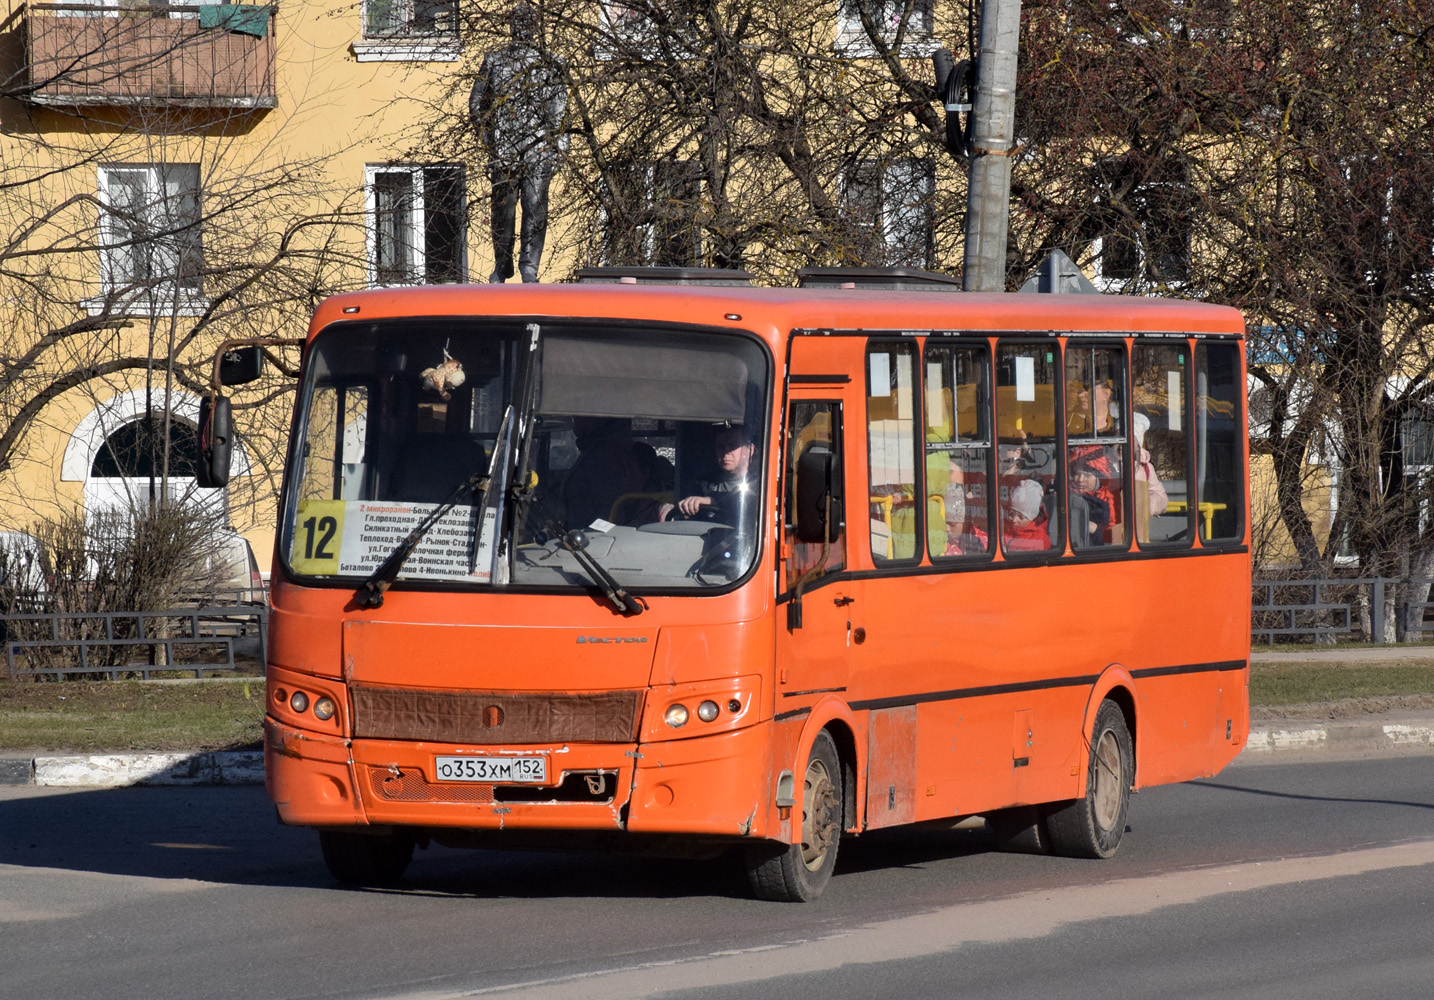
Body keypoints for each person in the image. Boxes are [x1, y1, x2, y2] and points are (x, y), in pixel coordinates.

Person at [469, 4, 567, 283]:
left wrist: (560, 147)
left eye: (528, 22)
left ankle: (529, 267)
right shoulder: (495, 60)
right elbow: (476, 103)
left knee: (536, 206)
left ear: (536, 27)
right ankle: (503, 263)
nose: (523, 27)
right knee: (503, 208)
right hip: (504, 150)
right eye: (518, 21)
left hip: (539, 148)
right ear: (511, 26)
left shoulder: (551, 61)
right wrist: (489, 140)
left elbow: (561, 108)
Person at [661, 425, 757, 523]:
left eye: (732, 446)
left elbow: (748, 504)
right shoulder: (702, 485)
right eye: (720, 446)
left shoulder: (761, 484)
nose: (725, 452)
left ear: (750, 450)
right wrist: (688, 509)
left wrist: (712, 501)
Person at [1002, 478, 1051, 552]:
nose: (1014, 520)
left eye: (1021, 517)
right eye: (1011, 514)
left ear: (1033, 517)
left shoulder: (1040, 539)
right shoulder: (1005, 531)